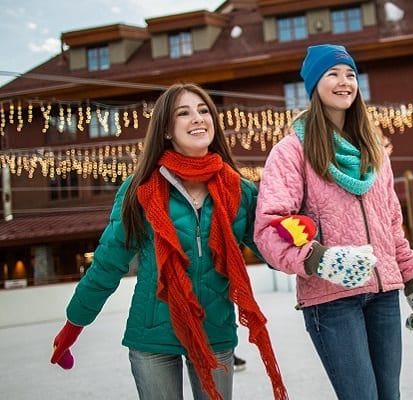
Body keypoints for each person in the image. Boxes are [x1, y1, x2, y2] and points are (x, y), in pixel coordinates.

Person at [49, 83, 288, 400]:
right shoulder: (140, 190)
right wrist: (74, 324)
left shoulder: (239, 190)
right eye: (184, 113)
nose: (198, 118)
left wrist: (291, 233)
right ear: (166, 130)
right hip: (152, 337)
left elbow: (270, 249)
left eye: (204, 111)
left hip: (214, 332)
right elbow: (108, 262)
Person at [254, 44, 413, 400]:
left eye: (350, 74)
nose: (344, 82)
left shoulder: (375, 152)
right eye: (332, 74)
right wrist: (319, 258)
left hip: (384, 295)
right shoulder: (291, 152)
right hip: (332, 301)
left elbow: (391, 226)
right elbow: (271, 226)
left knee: (389, 396)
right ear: (314, 86)